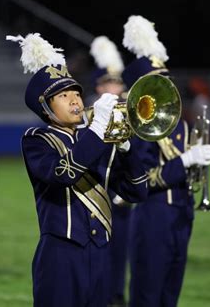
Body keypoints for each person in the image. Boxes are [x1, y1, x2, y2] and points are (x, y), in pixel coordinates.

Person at [6, 33, 148, 307]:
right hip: (61, 254)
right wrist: (97, 130)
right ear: (47, 108)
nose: (74, 101)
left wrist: (128, 151)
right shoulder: (37, 140)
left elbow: (137, 191)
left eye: (76, 93)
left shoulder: (95, 141)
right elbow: (65, 172)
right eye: (63, 95)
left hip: (101, 253)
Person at [122, 15, 210, 307]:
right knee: (148, 295)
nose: (164, 87)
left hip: (181, 214)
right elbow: (143, 180)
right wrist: (186, 160)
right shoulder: (138, 128)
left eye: (165, 80)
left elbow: (189, 175)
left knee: (170, 295)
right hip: (154, 215)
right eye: (155, 82)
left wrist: (197, 163)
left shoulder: (181, 125)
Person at [89, 35, 130, 307]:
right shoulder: (89, 114)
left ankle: (117, 295)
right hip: (97, 192)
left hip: (123, 194)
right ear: (99, 86)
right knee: (98, 253)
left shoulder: (131, 112)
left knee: (121, 251)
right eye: (110, 83)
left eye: (118, 83)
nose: (115, 88)